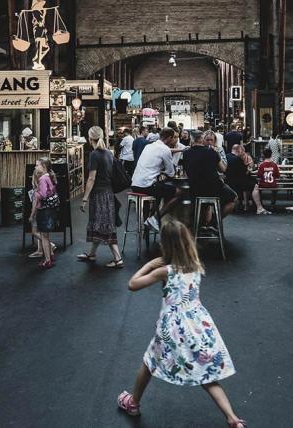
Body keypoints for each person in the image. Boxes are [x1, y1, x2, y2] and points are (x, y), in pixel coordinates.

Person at [117, 220, 246, 428]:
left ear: (164, 245)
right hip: (198, 325)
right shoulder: (196, 266)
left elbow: (132, 284)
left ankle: (133, 403)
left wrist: (150, 264)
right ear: (188, 242)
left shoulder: (165, 271)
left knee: (149, 362)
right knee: (206, 375)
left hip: (173, 328)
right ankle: (233, 419)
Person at [77, 126, 123, 268]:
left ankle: (118, 258)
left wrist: (84, 198)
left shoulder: (94, 155)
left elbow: (91, 178)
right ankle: (92, 254)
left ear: (90, 139)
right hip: (108, 194)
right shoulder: (109, 153)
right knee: (100, 223)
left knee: (104, 225)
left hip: (99, 195)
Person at [132, 127, 182, 232]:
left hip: (135, 184)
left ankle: (146, 222)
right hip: (147, 185)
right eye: (174, 138)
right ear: (168, 138)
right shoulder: (165, 149)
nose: (175, 140)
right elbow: (171, 173)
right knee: (179, 193)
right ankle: (155, 218)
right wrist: (164, 172)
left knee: (159, 189)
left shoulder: (149, 146)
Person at [184, 130, 237, 222]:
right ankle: (215, 221)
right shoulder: (212, 152)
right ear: (202, 139)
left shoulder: (186, 153)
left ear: (191, 140)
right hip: (213, 188)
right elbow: (223, 169)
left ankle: (205, 222)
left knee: (206, 203)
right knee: (234, 198)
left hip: (194, 188)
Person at [226, 144, 270, 215]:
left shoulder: (226, 156)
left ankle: (248, 205)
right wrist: (248, 170)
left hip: (229, 181)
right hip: (238, 182)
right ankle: (259, 207)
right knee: (255, 185)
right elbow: (244, 172)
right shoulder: (238, 159)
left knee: (251, 182)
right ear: (239, 150)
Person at [30, 158, 58, 269]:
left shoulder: (42, 179)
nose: (35, 167)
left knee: (44, 236)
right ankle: (50, 255)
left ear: (44, 167)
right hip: (51, 209)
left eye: (37, 165)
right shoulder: (49, 176)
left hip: (44, 209)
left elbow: (43, 195)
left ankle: (47, 260)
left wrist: (36, 194)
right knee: (46, 235)